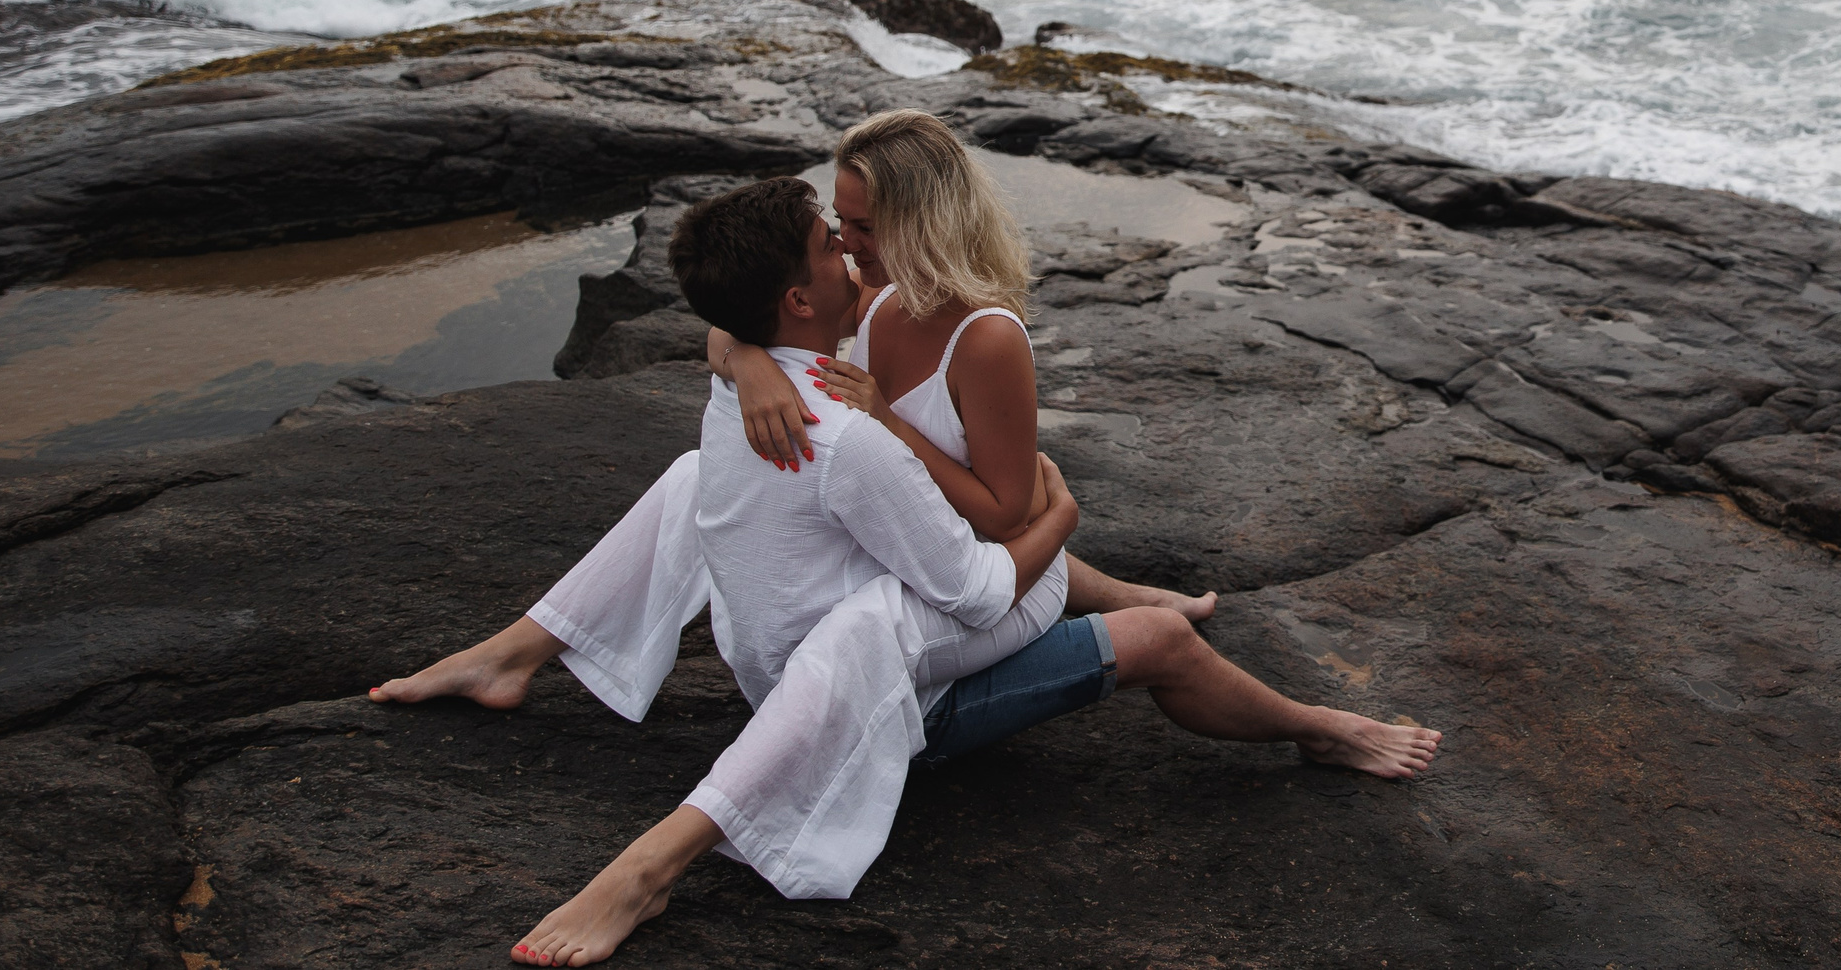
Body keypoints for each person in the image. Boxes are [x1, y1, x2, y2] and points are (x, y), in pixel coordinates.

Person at [371, 147, 1441, 967]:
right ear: (803, 292)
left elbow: (753, 315)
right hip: (877, 694)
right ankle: (1324, 726)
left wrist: (743, 352)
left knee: (762, 509)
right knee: (1118, 627)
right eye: (833, 233)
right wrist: (1059, 515)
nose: (845, 240)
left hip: (796, 648)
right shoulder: (841, 418)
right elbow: (980, 572)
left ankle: (518, 654)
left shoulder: (876, 326)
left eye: (856, 225)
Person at [710, 109, 1210, 628]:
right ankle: (1131, 597)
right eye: (841, 222)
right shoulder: (879, 294)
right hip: (907, 542)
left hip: (970, 570)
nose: (847, 244)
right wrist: (747, 361)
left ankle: (1135, 605)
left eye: (866, 228)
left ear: (926, 224)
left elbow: (1008, 518)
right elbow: (736, 317)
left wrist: (891, 423)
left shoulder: (986, 339)